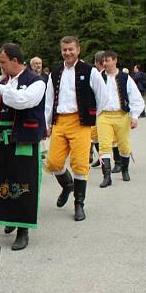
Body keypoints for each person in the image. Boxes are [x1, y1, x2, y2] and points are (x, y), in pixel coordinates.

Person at [0, 43, 46, 250]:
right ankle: (9, 218)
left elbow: (22, 101)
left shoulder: (36, 82)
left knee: (23, 184)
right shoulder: (4, 82)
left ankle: (23, 230)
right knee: (1, 182)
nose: (0, 66)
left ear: (15, 61)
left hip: (24, 141)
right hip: (3, 141)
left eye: (3, 62)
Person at [43, 37, 105, 222]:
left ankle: (79, 204)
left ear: (78, 50)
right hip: (60, 122)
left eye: (71, 49)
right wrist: (47, 124)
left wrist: (92, 117)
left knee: (79, 164)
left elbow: (102, 96)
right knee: (53, 162)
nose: (68, 53)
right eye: (64, 50)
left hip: (80, 122)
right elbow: (49, 100)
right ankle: (68, 185)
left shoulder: (90, 71)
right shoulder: (55, 73)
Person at [96, 50, 145, 188]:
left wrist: (134, 116)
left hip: (121, 115)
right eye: (103, 61)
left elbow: (135, 97)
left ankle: (125, 169)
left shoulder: (125, 77)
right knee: (104, 145)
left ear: (115, 60)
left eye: (108, 60)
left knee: (124, 145)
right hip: (104, 116)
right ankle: (106, 176)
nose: (105, 63)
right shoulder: (98, 77)